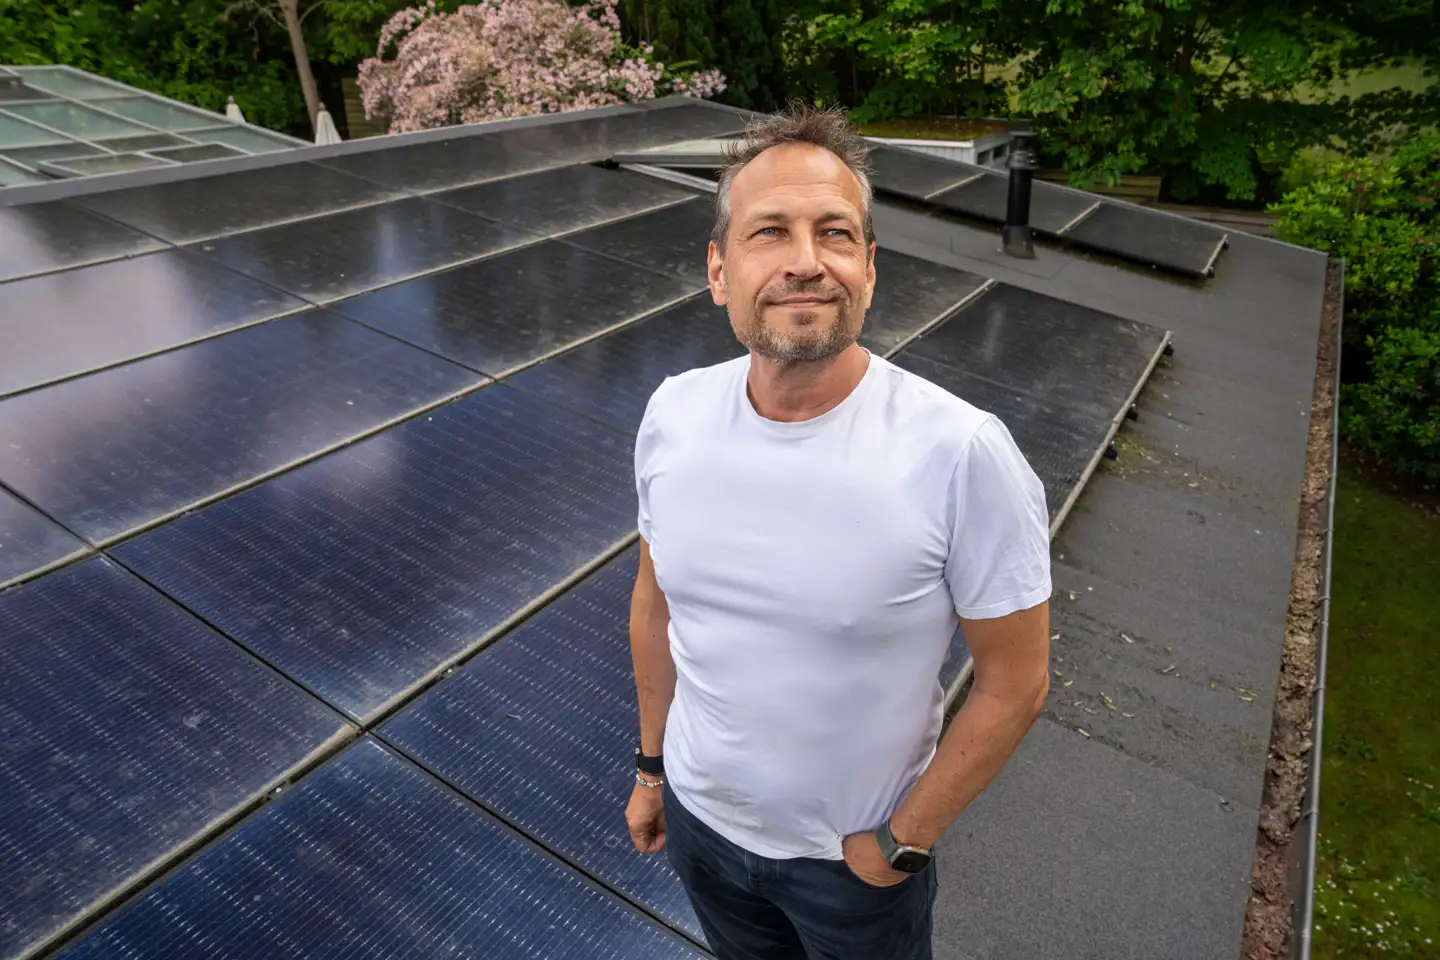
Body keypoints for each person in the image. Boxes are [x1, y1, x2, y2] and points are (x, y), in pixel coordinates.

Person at [624, 102, 1053, 960]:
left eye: (836, 233)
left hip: (851, 867)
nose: (805, 262)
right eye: (769, 233)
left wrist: (900, 843)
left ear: (868, 267)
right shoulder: (674, 413)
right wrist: (652, 770)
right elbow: (655, 602)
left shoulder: (961, 453)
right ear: (719, 271)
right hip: (702, 830)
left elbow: (1016, 682)